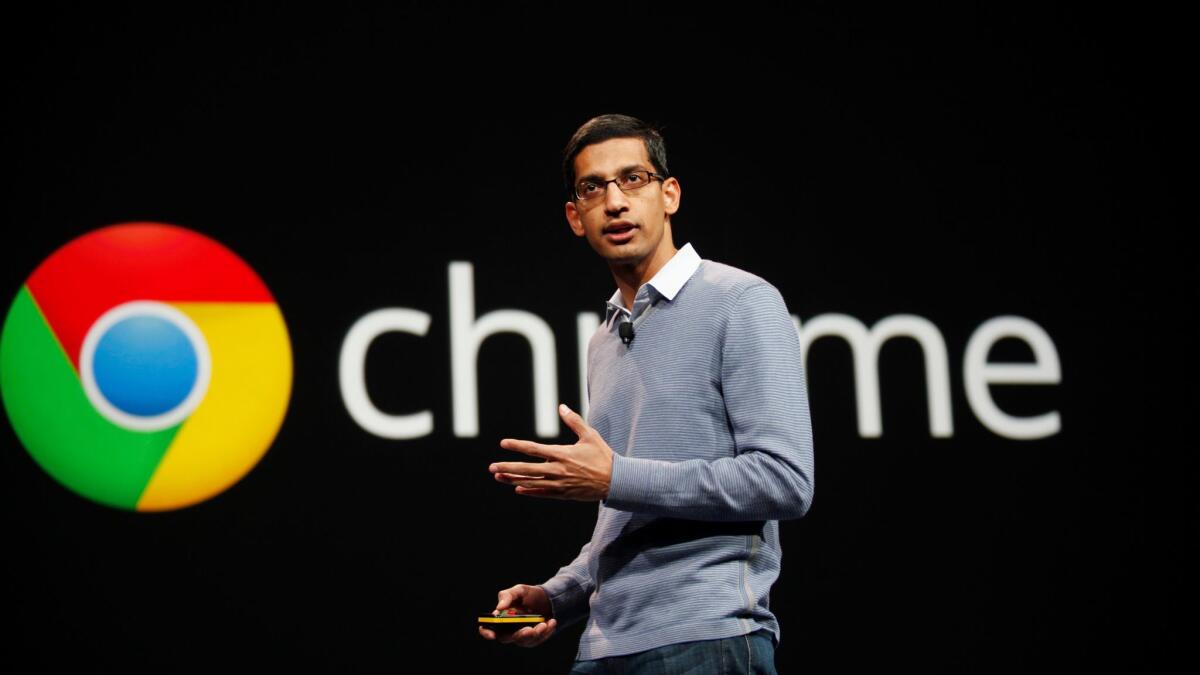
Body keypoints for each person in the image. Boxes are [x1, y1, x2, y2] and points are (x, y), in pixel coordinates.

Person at [479, 114, 815, 673]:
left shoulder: (741, 300)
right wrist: (558, 596)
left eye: (632, 179)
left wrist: (615, 476)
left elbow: (786, 480)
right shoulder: (603, 341)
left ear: (669, 195)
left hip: (707, 638)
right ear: (575, 217)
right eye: (594, 188)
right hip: (605, 649)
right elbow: (628, 516)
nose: (614, 201)